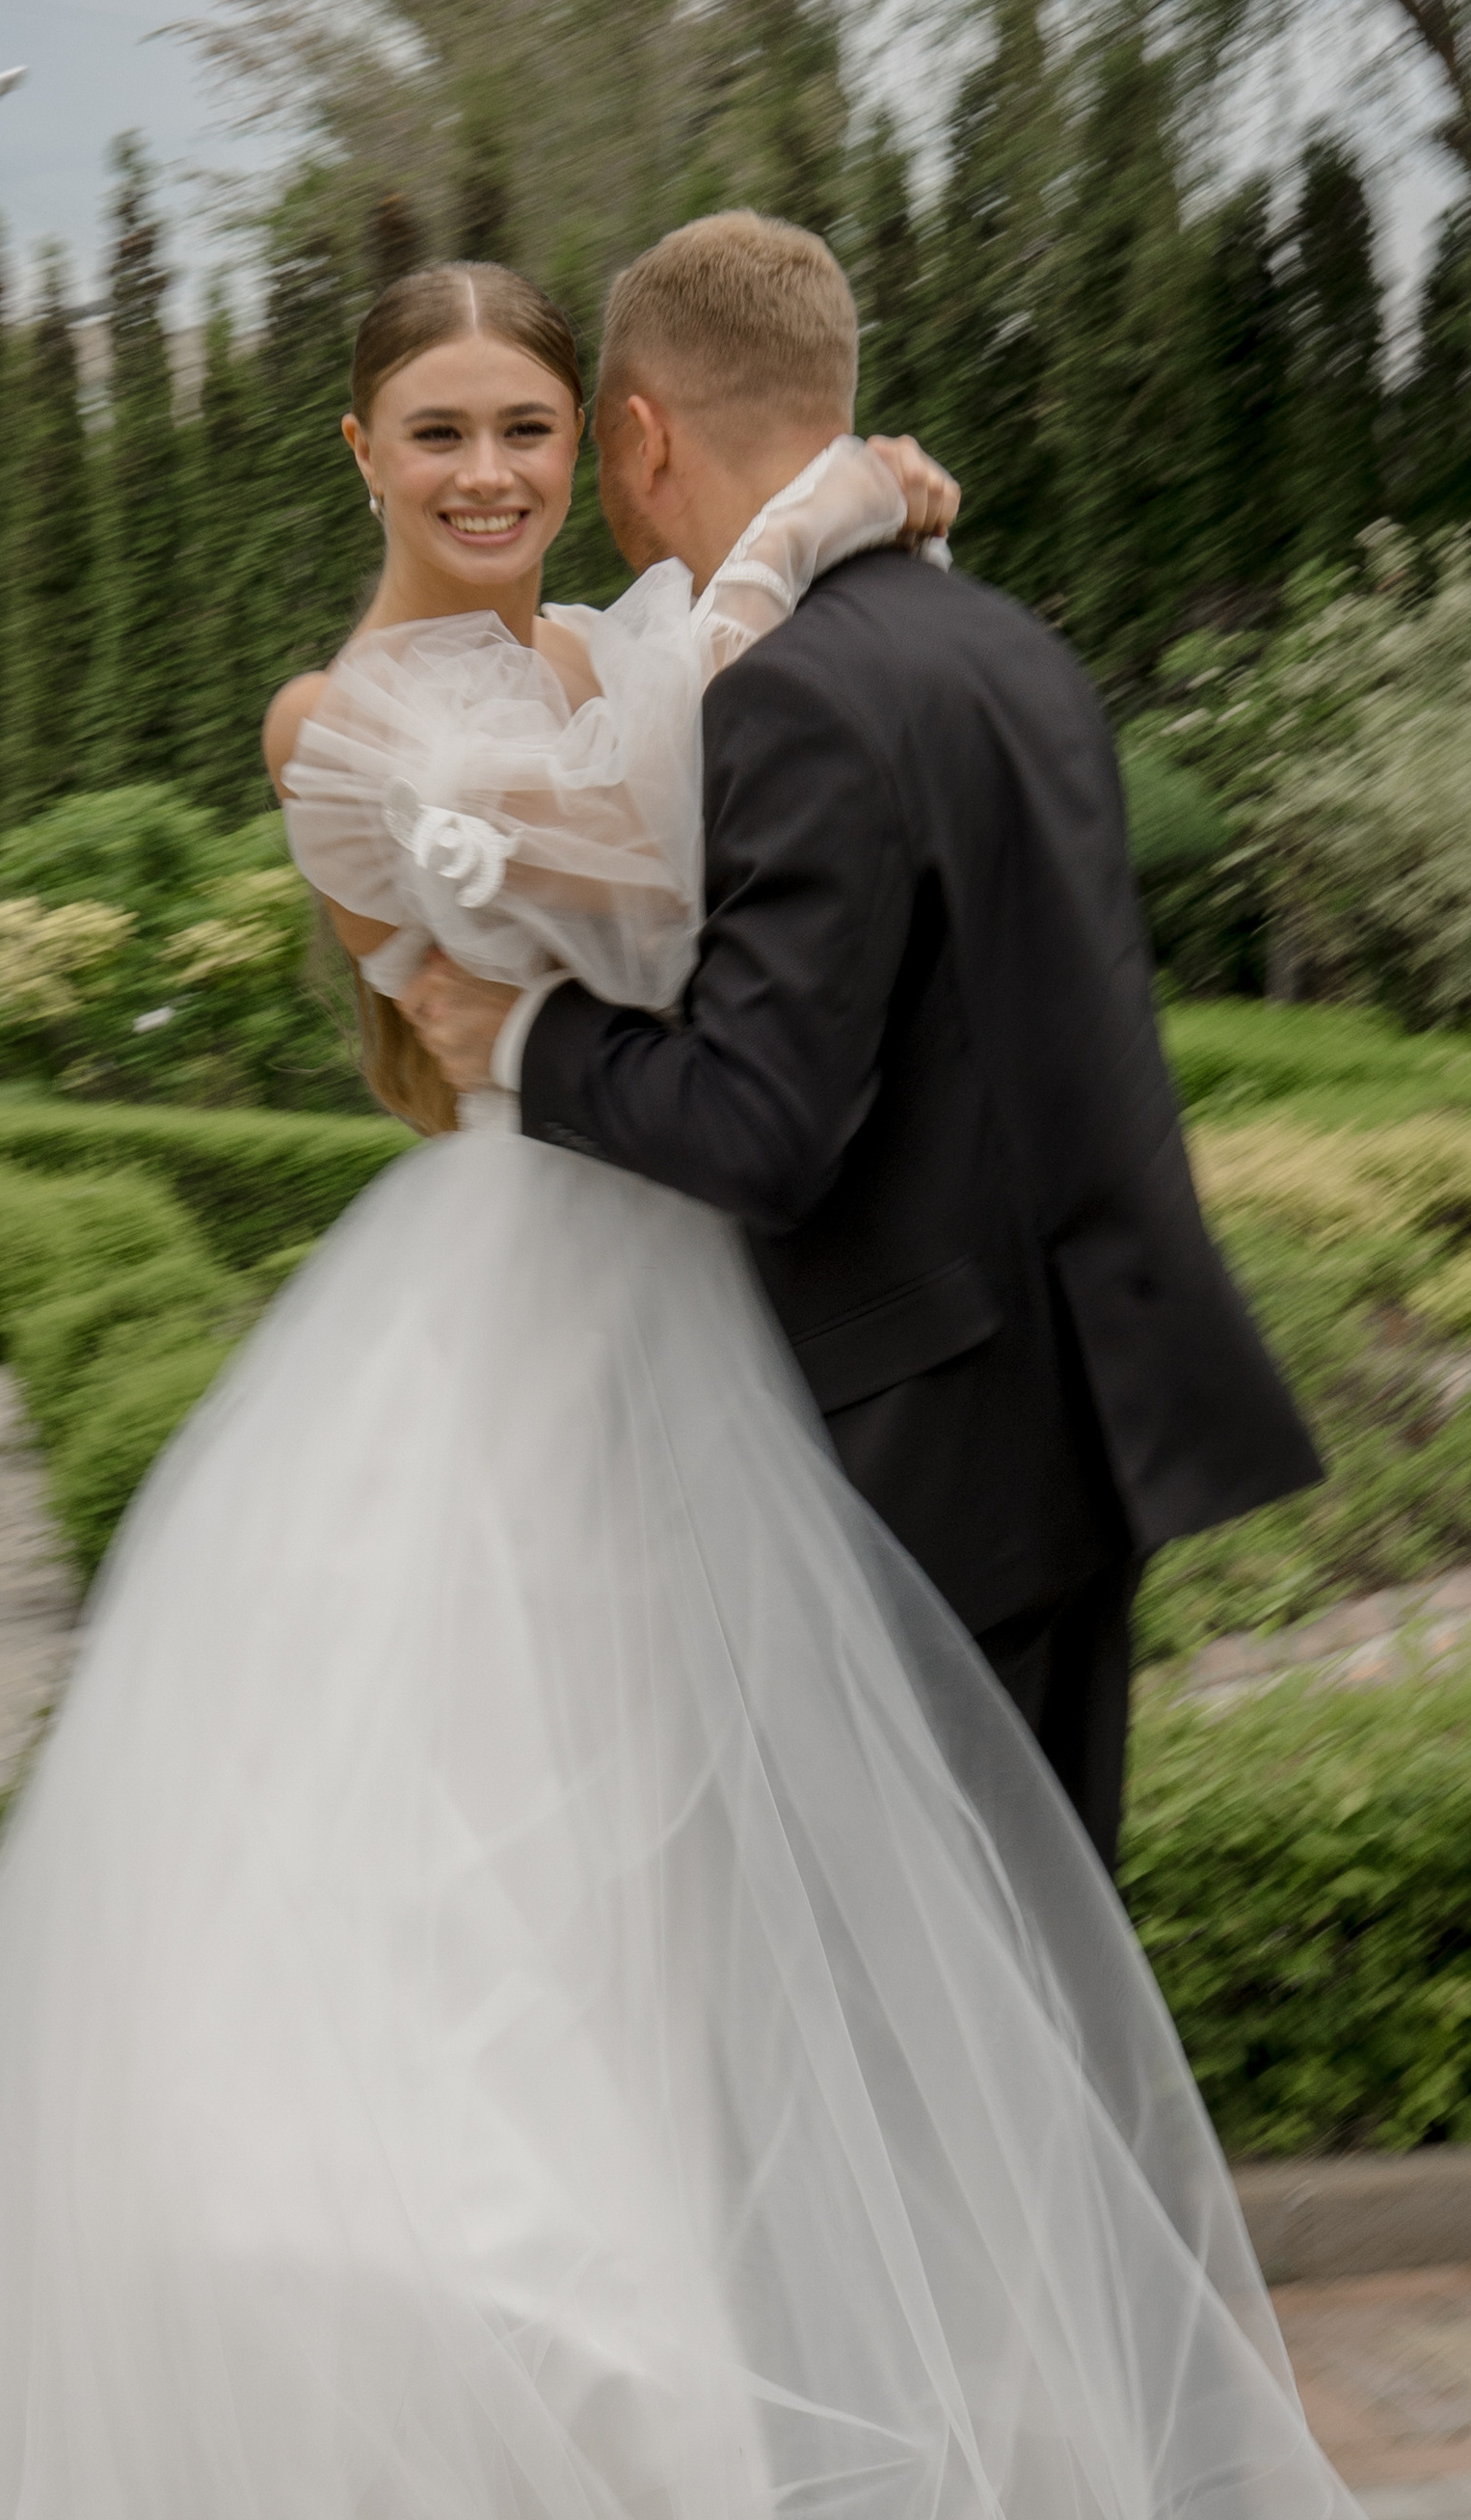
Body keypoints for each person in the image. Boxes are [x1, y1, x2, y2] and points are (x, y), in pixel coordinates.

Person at [0, 254, 1471, 2520]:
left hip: (746, 1378)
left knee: (832, 2015)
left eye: (525, 431)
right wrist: (793, 552)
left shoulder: (689, 636)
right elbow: (641, 899)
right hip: (556, 1334)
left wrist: (794, 530)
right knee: (581, 1997)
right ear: (360, 454)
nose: (489, 476)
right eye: (438, 434)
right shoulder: (362, 735)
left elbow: (711, 754)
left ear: (605, 447)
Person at [406, 212, 1322, 1853]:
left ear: (638, 431)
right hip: (1074, 1423)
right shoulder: (1006, 642)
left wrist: (518, 1040)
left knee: (895, 2048)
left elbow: (767, 1124)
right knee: (1035, 2004)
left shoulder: (791, 695)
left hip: (925, 1465)